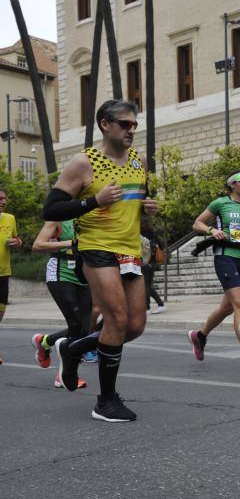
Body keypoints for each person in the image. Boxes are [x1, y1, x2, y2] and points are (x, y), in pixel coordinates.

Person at [43, 99, 158, 422]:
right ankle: (105, 401)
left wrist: (147, 209)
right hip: (96, 247)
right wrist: (93, 200)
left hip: (130, 251)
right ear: (105, 125)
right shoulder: (84, 163)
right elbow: (50, 209)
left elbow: (131, 206)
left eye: (134, 125)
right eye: (125, 124)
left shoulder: (140, 161)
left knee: (134, 326)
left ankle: (73, 348)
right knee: (117, 319)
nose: (131, 130)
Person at [187, 171, 240, 368]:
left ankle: (199, 336)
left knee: (227, 307)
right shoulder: (220, 203)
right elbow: (197, 223)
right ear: (233, 185)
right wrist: (212, 230)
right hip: (226, 257)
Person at [30, 220, 91, 388]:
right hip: (61, 272)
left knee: (85, 330)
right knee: (76, 325)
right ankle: (64, 375)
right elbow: (37, 245)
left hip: (85, 274)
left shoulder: (92, 214)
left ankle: (44, 342)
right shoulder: (59, 216)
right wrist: (71, 243)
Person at [0, 189, 23, 365]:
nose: (3, 201)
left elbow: (16, 239)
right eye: (0, 198)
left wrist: (17, 242)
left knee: (1, 312)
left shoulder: (10, 218)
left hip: (4, 272)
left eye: (4, 198)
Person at [140, 221, 165, 315]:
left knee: (145, 287)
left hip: (145, 263)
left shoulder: (141, 237)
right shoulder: (154, 237)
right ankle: (160, 304)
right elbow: (162, 247)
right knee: (148, 286)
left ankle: (148, 308)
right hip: (153, 264)